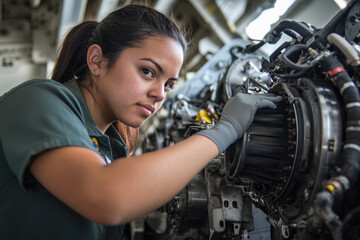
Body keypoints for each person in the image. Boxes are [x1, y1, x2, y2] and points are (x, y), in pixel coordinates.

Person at [0, 4, 282, 240]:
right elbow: (107, 196)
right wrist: (225, 131)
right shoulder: (39, 99)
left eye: (169, 84)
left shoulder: (111, 150)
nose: (159, 94)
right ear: (96, 61)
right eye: (147, 71)